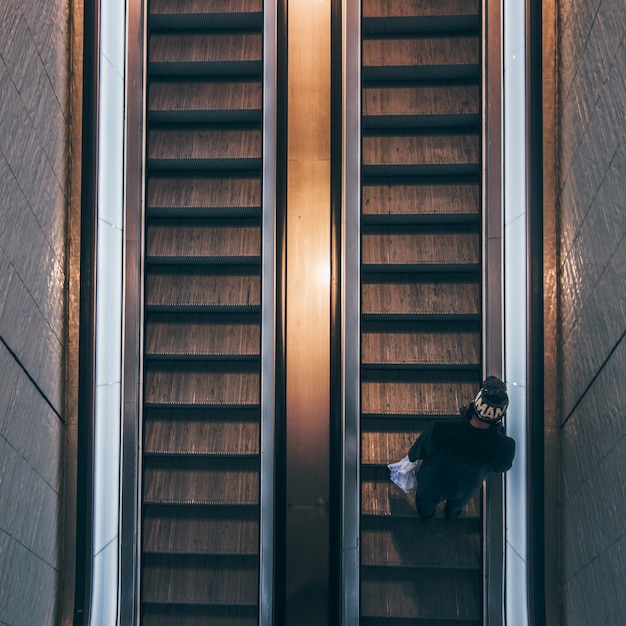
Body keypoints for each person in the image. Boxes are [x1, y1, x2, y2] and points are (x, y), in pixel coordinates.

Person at [408, 376, 516, 520]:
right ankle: (451, 516)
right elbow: (500, 468)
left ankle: (426, 516)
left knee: (426, 503)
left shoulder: (441, 429)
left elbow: (414, 453)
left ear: (475, 404)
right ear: (499, 416)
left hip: (432, 481)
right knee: (457, 505)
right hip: (466, 486)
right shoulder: (505, 446)